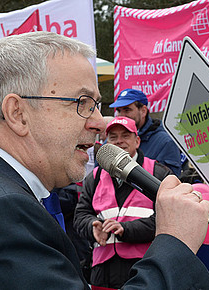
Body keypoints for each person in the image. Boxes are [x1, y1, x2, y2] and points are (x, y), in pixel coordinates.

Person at [0, 32, 209, 289]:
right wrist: (175, 243)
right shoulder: (3, 210)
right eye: (82, 102)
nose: (98, 122)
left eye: (97, 105)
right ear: (18, 113)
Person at [74, 116, 173, 288]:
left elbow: (169, 219)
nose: (119, 141)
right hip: (102, 271)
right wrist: (93, 226)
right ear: (106, 143)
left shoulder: (158, 173)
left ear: (137, 140)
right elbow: (80, 216)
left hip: (145, 268)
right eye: (113, 137)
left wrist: (126, 229)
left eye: (125, 135)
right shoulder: (94, 177)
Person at [109, 89, 182, 176]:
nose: (121, 116)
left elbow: (171, 182)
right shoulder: (110, 141)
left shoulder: (165, 142)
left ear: (143, 111)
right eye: (119, 111)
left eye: (127, 110)